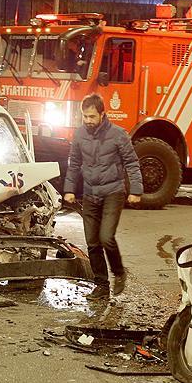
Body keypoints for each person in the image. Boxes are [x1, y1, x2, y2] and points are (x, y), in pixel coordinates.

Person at [63, 93, 143, 298]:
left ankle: (119, 273)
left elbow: (132, 163)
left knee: (106, 237)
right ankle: (101, 285)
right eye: (85, 117)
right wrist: (69, 189)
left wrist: (135, 190)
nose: (88, 121)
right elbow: (74, 163)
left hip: (113, 193)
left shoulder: (118, 135)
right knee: (92, 242)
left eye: (92, 117)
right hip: (90, 193)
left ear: (102, 114)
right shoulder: (80, 135)